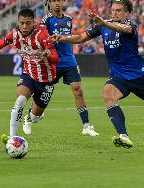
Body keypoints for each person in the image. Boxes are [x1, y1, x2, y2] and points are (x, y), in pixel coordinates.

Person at [51, 0, 144, 148]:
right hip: (118, 77)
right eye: (113, 10)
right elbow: (81, 38)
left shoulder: (130, 26)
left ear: (127, 13)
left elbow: (121, 29)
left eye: (119, 10)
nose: (114, 13)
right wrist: (62, 38)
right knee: (108, 94)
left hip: (139, 76)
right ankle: (123, 136)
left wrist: (104, 23)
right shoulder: (103, 25)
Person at [0, 8, 59, 141]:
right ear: (18, 21)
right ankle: (13, 138)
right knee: (20, 100)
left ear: (34, 22)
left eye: (28, 23)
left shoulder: (42, 34)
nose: (24, 26)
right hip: (28, 75)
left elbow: (56, 59)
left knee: (35, 117)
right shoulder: (15, 34)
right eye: (22, 23)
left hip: (47, 80)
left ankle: (30, 116)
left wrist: (49, 56)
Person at [38, 0, 99, 136]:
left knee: (78, 90)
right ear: (50, 4)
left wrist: (64, 38)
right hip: (53, 60)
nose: (57, 3)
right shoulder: (46, 19)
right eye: (53, 1)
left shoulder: (69, 19)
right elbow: (41, 38)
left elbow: (71, 37)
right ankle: (33, 114)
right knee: (44, 92)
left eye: (59, 0)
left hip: (69, 60)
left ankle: (86, 126)